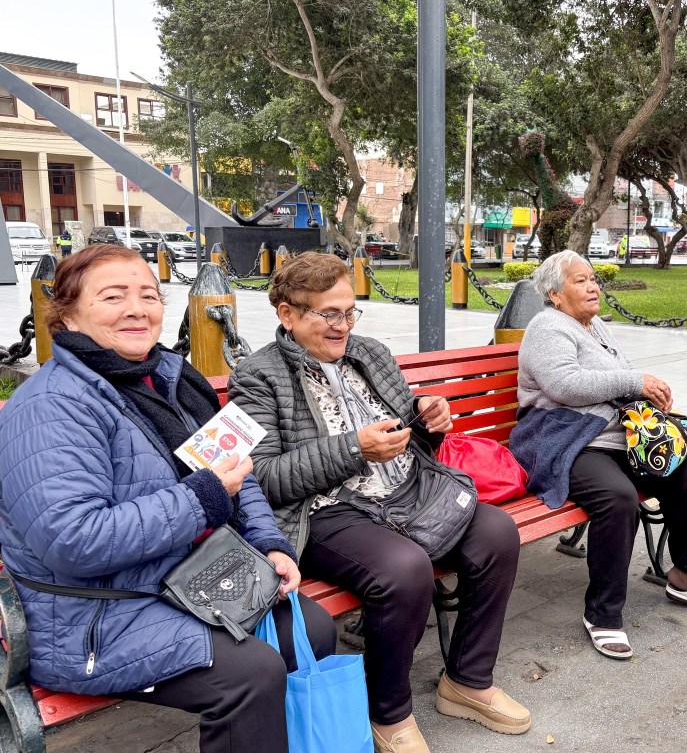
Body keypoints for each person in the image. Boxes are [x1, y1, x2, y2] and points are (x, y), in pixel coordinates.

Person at [0, 244, 338, 753]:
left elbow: (234, 473)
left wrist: (270, 543)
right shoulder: (52, 406)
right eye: (113, 297)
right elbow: (73, 540)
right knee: (250, 674)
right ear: (67, 314)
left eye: (148, 295)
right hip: (93, 615)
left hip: (188, 578)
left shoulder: (168, 379)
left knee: (310, 628)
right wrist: (202, 498)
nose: (137, 309)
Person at [228, 252, 530, 753]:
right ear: (287, 314)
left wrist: (426, 417)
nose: (343, 325)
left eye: (350, 311)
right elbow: (263, 478)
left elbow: (407, 428)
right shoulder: (259, 376)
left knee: (497, 532)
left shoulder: (371, 352)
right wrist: (354, 450)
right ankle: (387, 712)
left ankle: (468, 681)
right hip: (325, 511)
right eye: (329, 314)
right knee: (403, 569)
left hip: (408, 491)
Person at [511, 249, 687, 662]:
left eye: (593, 279)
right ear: (555, 294)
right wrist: (636, 383)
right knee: (617, 499)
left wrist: (648, 396)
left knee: (681, 472)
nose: (593, 287)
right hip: (564, 439)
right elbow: (564, 385)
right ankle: (602, 614)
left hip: (612, 436)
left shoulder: (593, 324)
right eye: (580, 281)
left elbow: (617, 373)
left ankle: (686, 576)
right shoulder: (547, 326)